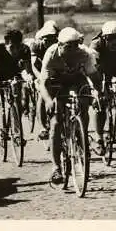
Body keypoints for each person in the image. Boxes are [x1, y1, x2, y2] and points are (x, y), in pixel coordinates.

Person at [39, 27, 101, 184]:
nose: (72, 50)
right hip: (56, 83)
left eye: (75, 46)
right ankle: (56, 168)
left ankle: (81, 136)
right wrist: (48, 100)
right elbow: (43, 83)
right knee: (56, 123)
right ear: (59, 45)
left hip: (76, 80)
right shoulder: (51, 54)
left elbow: (94, 77)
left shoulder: (84, 53)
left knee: (83, 100)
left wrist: (100, 94)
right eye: (68, 46)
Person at [89, 21, 116, 155]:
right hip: (101, 72)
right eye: (109, 39)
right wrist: (98, 89)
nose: (113, 42)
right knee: (100, 104)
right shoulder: (96, 44)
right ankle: (99, 137)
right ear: (104, 38)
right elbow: (93, 69)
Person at [0, 29, 34, 141]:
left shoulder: (25, 49)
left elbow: (27, 70)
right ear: (6, 44)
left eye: (18, 47)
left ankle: (17, 133)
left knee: (17, 100)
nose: (15, 51)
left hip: (12, 73)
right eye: (12, 47)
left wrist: (28, 78)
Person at [30, 24, 59, 141]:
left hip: (53, 70)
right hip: (40, 72)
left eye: (53, 40)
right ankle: (42, 127)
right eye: (47, 40)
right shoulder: (36, 46)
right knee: (42, 94)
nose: (50, 43)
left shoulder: (58, 45)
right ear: (41, 39)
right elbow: (33, 65)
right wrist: (40, 78)